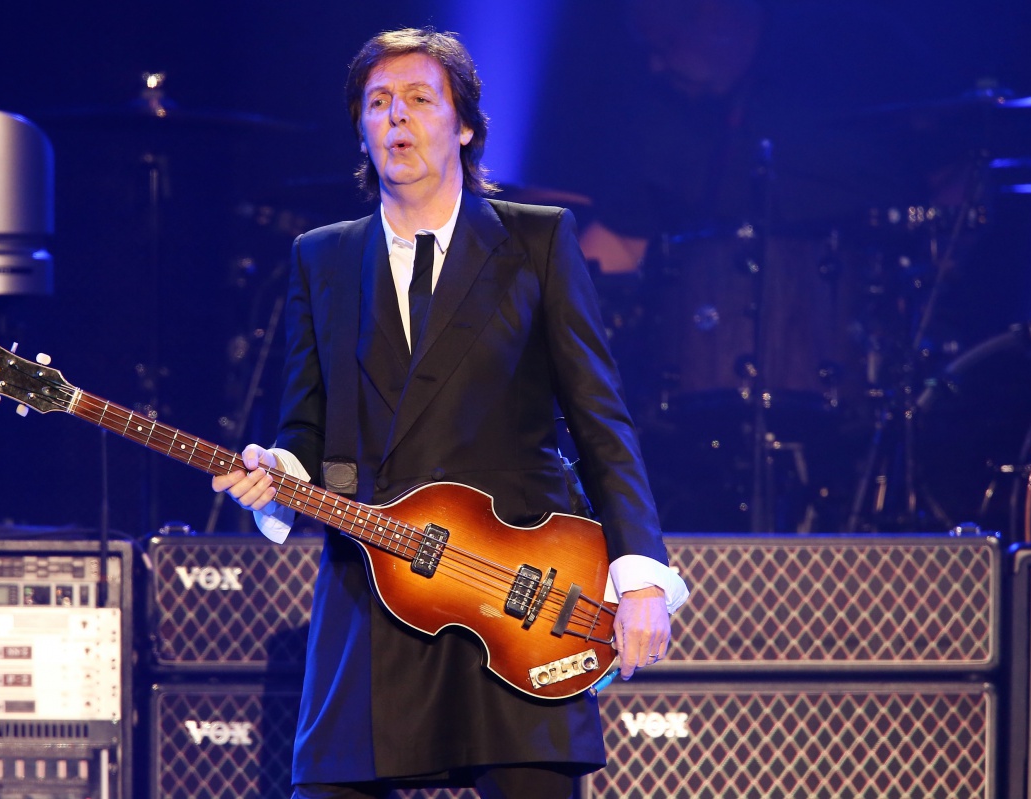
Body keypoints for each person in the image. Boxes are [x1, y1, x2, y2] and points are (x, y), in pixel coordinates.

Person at [212, 27, 689, 799]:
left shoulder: (536, 241)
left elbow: (601, 419)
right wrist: (281, 469)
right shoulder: (321, 257)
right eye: (377, 103)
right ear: (361, 131)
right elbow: (305, 421)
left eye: (418, 99)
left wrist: (639, 574)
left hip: (516, 583)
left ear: (464, 124)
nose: (396, 117)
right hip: (377, 580)